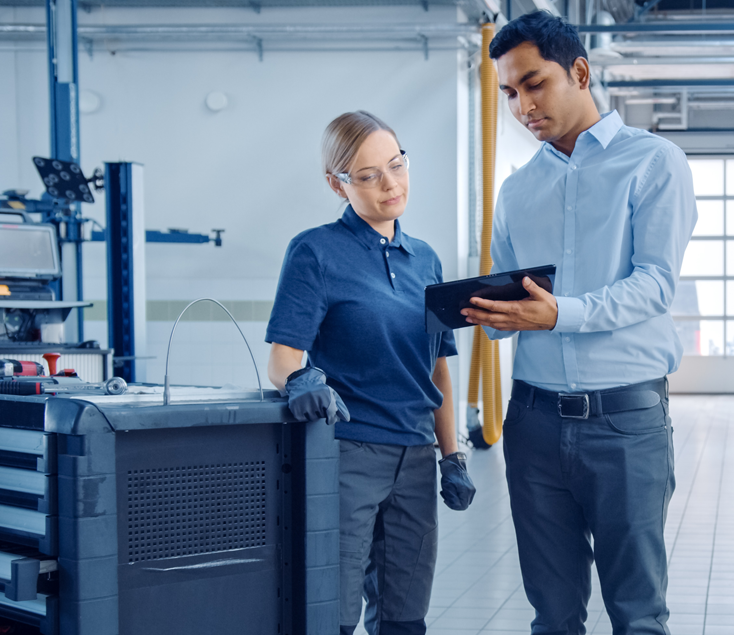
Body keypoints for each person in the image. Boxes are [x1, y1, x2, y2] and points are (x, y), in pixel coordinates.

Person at [461, 11, 696, 635]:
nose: (521, 106)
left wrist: (557, 314)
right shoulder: (516, 189)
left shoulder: (654, 163)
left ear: (580, 71)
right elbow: (514, 300)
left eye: (534, 84)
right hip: (533, 424)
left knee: (637, 614)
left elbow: (653, 285)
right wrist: (488, 314)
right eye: (509, 93)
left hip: (624, 422)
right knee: (553, 615)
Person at [266, 111, 476, 635]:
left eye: (397, 164)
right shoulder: (315, 251)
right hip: (348, 454)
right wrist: (302, 382)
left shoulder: (425, 260)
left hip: (415, 458)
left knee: (405, 616)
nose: (390, 184)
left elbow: (438, 371)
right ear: (337, 183)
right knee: (332, 615)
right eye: (367, 175)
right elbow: (282, 359)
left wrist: (452, 456)